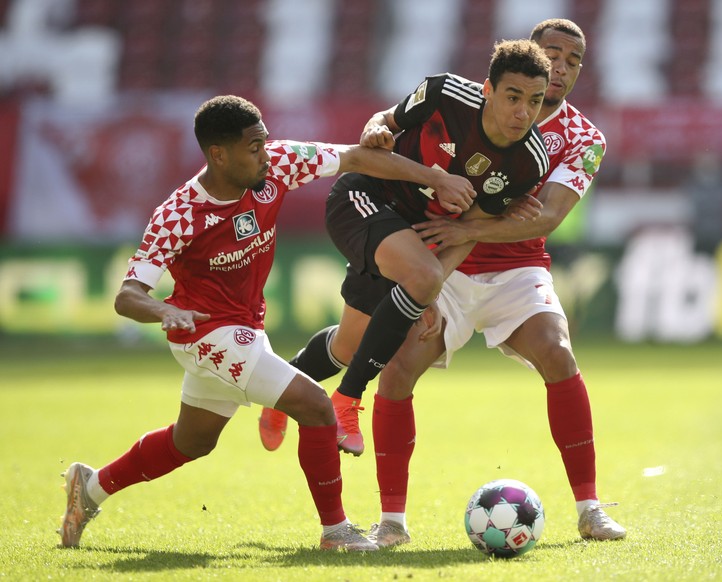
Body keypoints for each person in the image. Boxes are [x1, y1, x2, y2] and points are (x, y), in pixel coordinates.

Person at [259, 19, 627, 547]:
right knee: (369, 352)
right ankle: (391, 522)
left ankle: (591, 509)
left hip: (515, 269)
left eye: (574, 59)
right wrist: (377, 132)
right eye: (553, 55)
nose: (563, 66)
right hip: (430, 246)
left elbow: (546, 218)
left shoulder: (583, 140)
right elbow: (388, 120)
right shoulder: (463, 97)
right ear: (529, 63)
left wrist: (466, 228)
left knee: (557, 350)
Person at [58, 94, 478, 552]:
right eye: (254, 146)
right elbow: (127, 296)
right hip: (205, 334)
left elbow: (358, 157)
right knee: (316, 405)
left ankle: (91, 486)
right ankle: (337, 532)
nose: (266, 153)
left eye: (264, 142)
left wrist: (434, 177)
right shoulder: (179, 213)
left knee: (191, 442)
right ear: (218, 154)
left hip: (245, 327)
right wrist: (165, 310)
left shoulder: (277, 164)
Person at [257, 39, 552, 456]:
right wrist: (427, 171)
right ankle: (347, 400)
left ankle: (280, 394)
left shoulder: (528, 162)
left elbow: (467, 234)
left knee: (349, 345)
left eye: (536, 101)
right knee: (419, 282)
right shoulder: (445, 93)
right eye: (513, 97)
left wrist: (427, 290)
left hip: (411, 236)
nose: (524, 112)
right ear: (488, 90)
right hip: (363, 198)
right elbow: (372, 141)